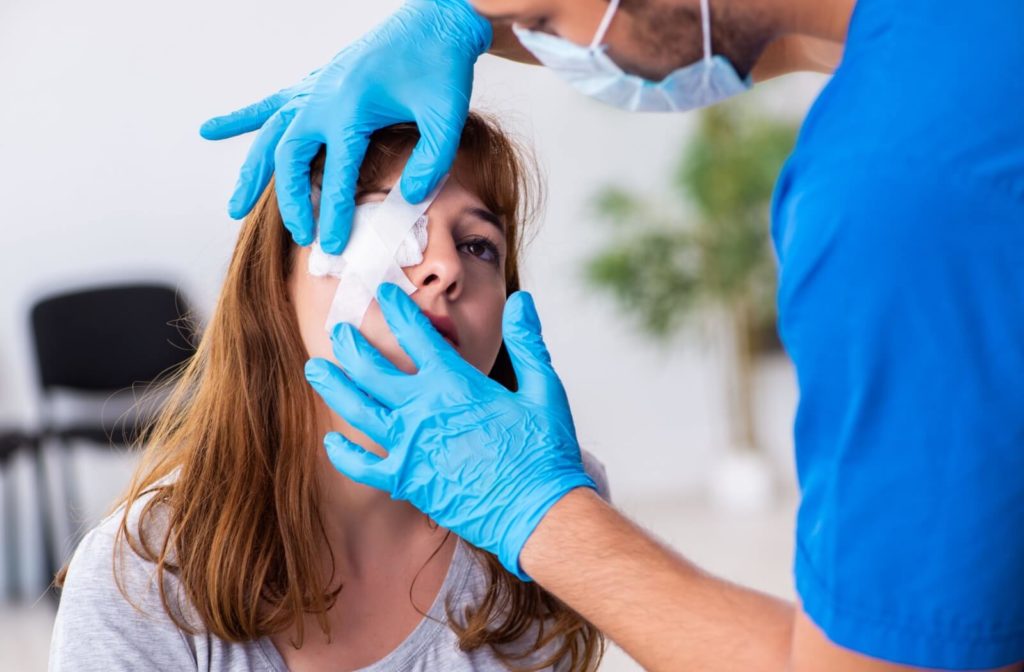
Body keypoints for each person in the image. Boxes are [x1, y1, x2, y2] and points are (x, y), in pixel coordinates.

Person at [199, 0, 1024, 669]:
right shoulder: (958, 37)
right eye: (395, 228)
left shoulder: (907, 188)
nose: (442, 268)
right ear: (271, 294)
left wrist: (542, 515)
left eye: (548, 25)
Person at [49, 113, 609, 672]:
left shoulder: (554, 497)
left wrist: (559, 520)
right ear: (276, 283)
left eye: (479, 245)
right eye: (391, 224)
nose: (444, 266)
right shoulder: (140, 578)